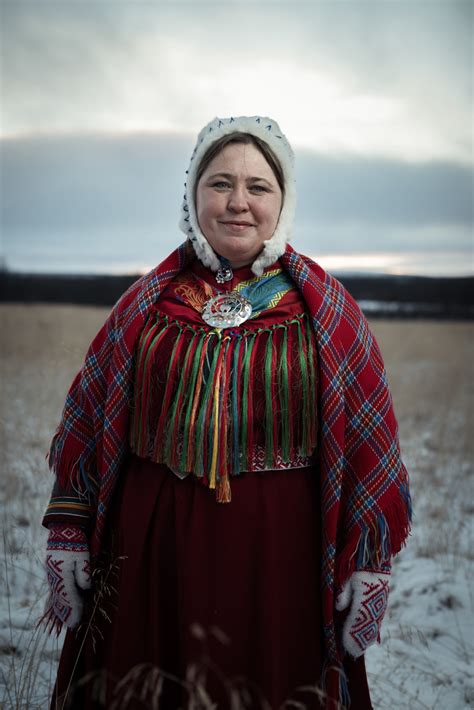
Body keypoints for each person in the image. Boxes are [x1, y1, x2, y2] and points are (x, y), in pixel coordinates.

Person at [42, 115, 411, 710]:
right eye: (220, 184)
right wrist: (68, 529)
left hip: (279, 563)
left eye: (258, 187)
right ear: (194, 196)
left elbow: (371, 442)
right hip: (151, 558)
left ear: (282, 202)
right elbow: (89, 418)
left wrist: (368, 562)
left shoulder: (329, 311)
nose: (238, 202)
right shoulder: (146, 303)